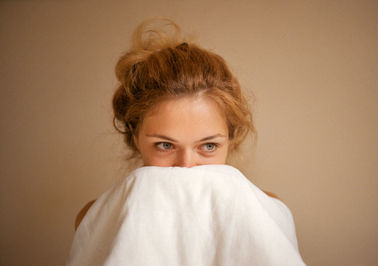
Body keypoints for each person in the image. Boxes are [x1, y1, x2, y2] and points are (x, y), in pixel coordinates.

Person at [69, 18, 305, 266]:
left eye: (208, 146)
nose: (186, 166)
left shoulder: (269, 213)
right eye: (165, 145)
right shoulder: (95, 219)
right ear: (135, 136)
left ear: (231, 138)